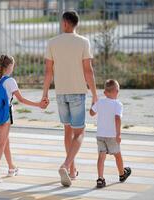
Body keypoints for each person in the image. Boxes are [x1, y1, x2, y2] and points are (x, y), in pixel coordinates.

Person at [42, 11, 98, 187]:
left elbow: (48, 71)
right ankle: (66, 165)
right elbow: (88, 71)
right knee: (80, 132)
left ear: (65, 23)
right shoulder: (83, 42)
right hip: (77, 92)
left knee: (67, 131)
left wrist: (44, 94)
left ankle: (72, 170)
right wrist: (95, 95)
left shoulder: (52, 42)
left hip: (60, 93)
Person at [0, 55, 47, 183]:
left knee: (5, 141)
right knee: (1, 143)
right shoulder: (10, 81)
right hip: (6, 116)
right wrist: (38, 104)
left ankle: (11, 167)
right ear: (9, 67)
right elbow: (21, 99)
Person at [90, 79, 131, 188]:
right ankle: (122, 174)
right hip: (112, 135)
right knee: (117, 155)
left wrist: (93, 102)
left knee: (101, 156)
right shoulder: (118, 104)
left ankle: (100, 179)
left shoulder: (100, 102)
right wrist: (118, 134)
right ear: (117, 91)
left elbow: (91, 113)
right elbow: (117, 118)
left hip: (100, 135)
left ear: (104, 92)